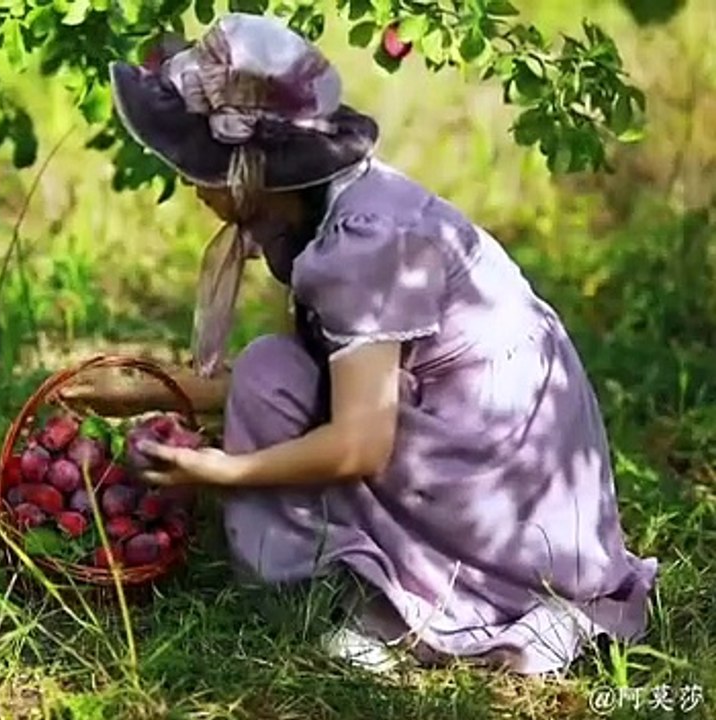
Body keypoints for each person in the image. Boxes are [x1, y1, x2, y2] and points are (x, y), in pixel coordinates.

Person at [56, 13, 658, 675]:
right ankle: (335, 562)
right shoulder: (324, 205)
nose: (191, 184)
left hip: (492, 467)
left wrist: (223, 471)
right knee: (267, 370)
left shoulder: (364, 247)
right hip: (468, 422)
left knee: (278, 386)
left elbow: (360, 442)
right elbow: (326, 374)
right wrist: (154, 386)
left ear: (247, 174)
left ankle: (398, 594)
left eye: (200, 168)